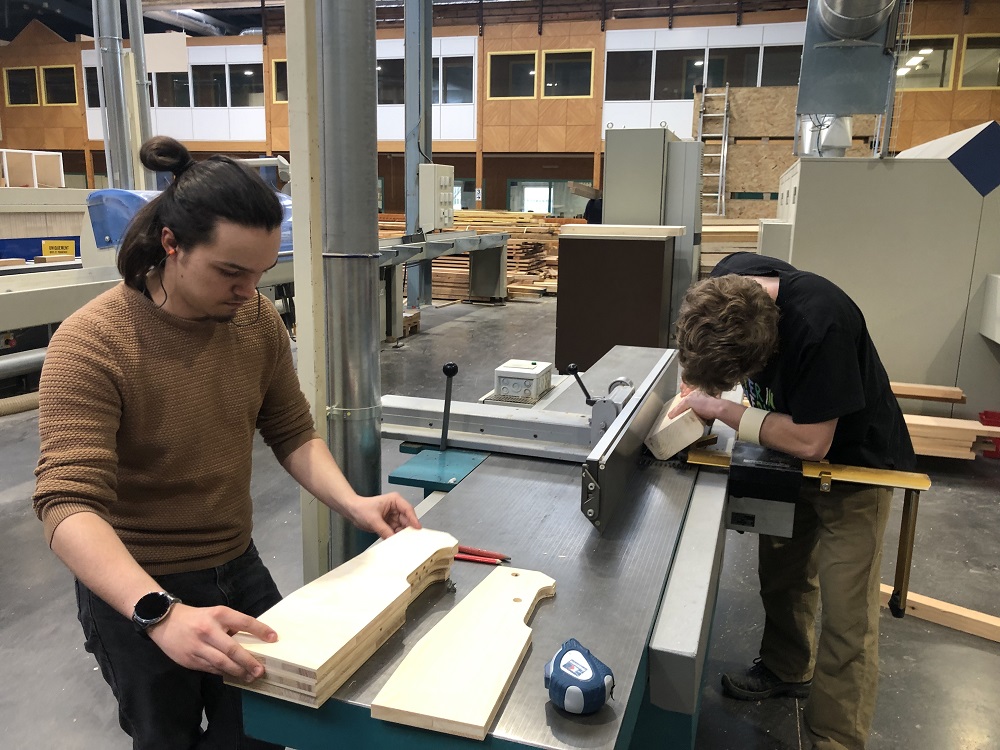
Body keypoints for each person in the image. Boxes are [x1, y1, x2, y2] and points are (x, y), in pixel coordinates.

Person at [32, 136, 421, 749]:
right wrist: (159, 613)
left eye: (261, 274)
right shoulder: (92, 344)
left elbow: (291, 431)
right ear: (172, 245)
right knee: (169, 738)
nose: (249, 292)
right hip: (137, 584)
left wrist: (356, 504)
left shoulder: (255, 320)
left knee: (270, 726)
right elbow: (67, 506)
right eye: (231, 272)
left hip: (237, 568)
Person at [669, 252, 914, 750]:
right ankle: (786, 667)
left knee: (848, 615)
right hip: (783, 452)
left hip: (853, 465)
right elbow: (700, 371)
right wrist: (691, 393)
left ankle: (835, 737)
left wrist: (719, 408)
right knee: (782, 571)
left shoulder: (822, 324)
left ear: (768, 352)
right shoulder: (726, 284)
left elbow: (812, 442)